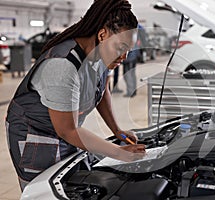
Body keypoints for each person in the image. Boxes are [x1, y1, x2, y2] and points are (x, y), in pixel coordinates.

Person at [5, 0, 145, 191]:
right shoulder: (62, 65)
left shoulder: (100, 53)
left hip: (64, 129)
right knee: (45, 191)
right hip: (36, 134)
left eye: (129, 49)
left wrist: (117, 130)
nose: (125, 56)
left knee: (74, 183)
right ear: (103, 34)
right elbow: (67, 130)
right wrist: (119, 152)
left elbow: (101, 90)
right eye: (121, 48)